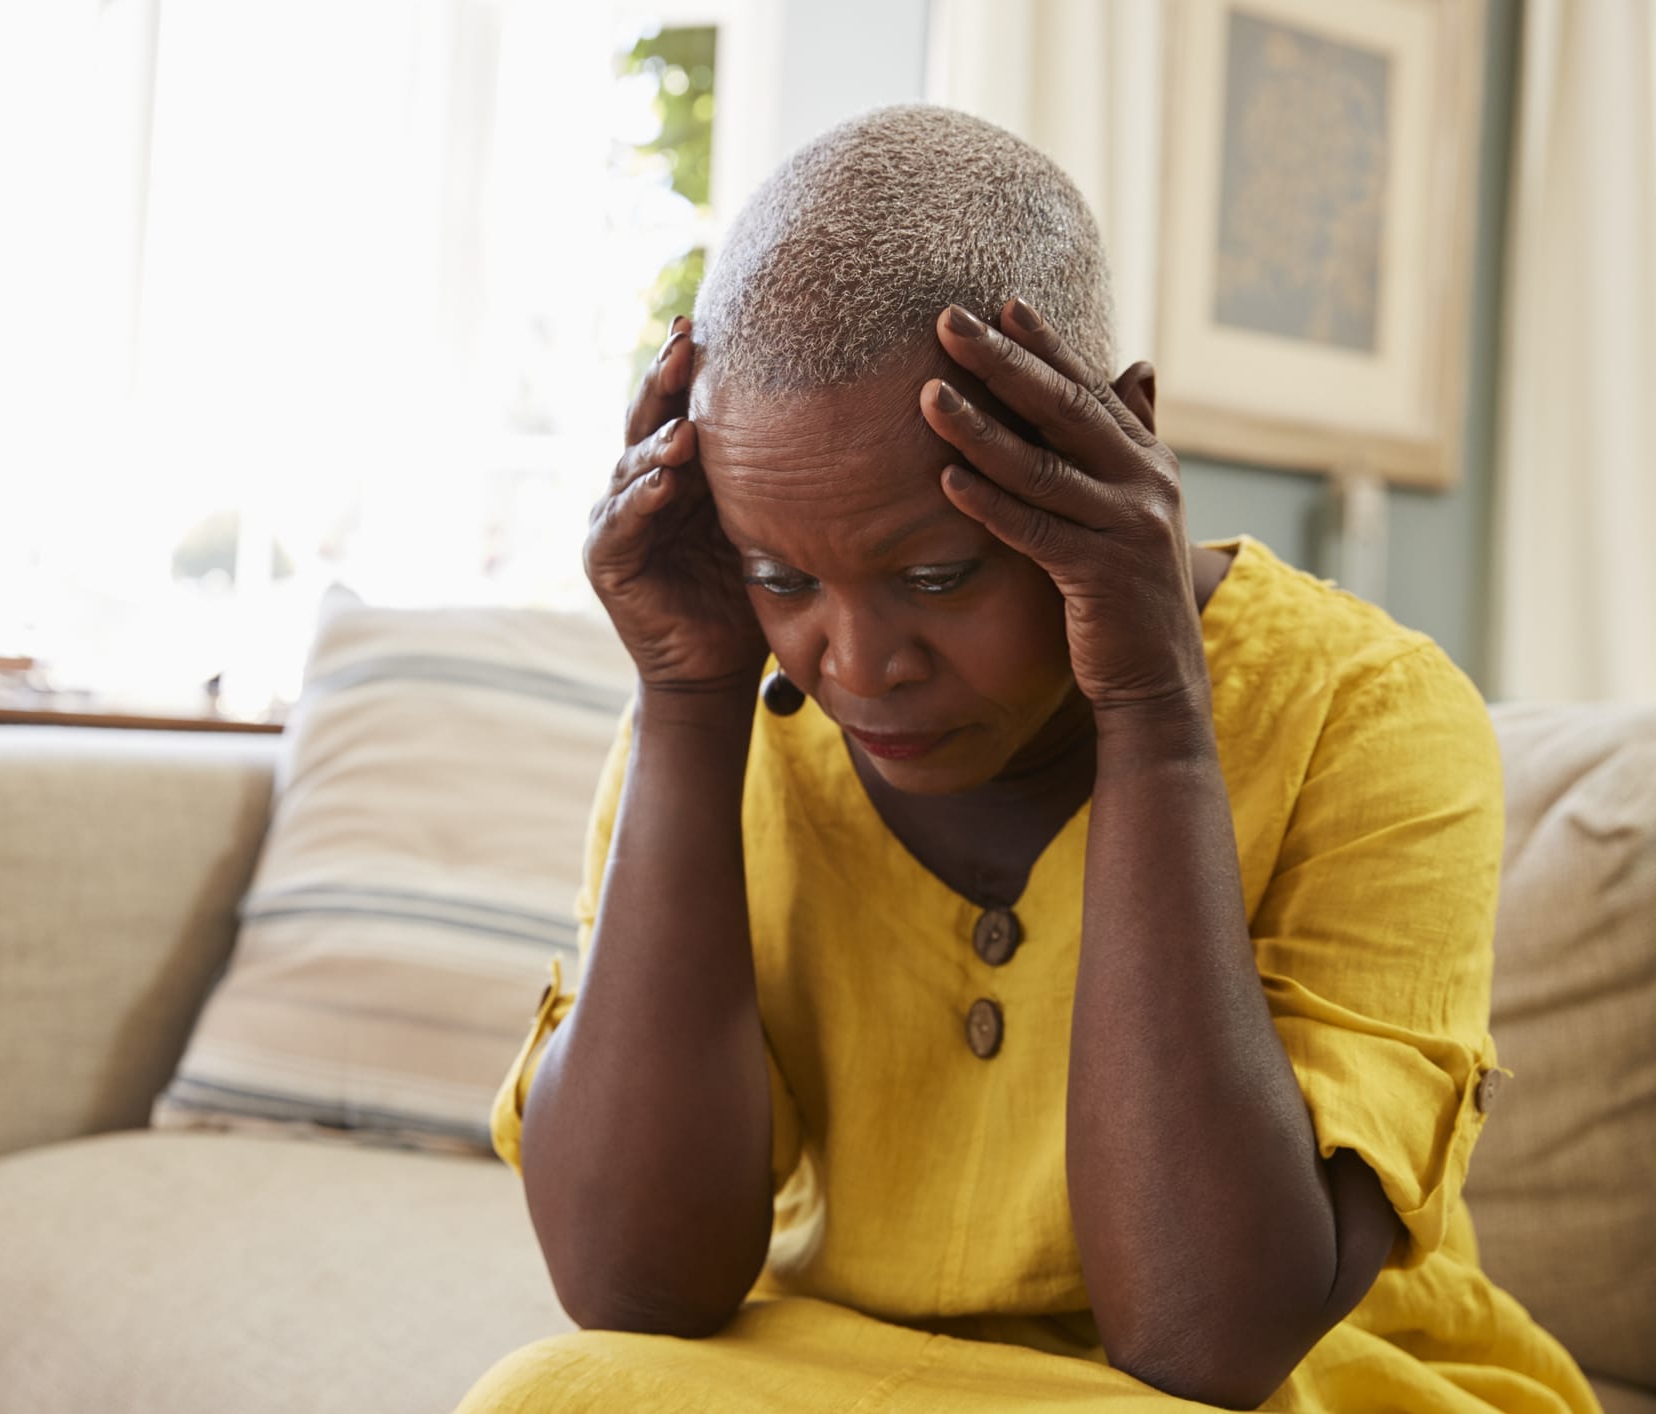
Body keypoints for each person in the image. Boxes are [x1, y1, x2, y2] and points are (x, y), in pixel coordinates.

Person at [456, 104, 1598, 1412]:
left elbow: (1209, 1336)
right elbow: (633, 1286)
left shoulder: (1368, 714)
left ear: (1118, 442)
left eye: (936, 574)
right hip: (867, 1368)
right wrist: (684, 704)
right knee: (549, 1393)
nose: (858, 661)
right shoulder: (730, 705)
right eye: (780, 574)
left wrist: (1155, 716)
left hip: (1315, 1388)